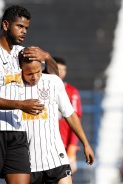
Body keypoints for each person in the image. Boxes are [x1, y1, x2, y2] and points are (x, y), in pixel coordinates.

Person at [0, 5, 58, 184]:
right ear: (5, 25)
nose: (24, 31)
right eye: (19, 26)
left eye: (26, 28)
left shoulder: (22, 53)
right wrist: (21, 105)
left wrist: (47, 57)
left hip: (17, 130)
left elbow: (55, 79)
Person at [19, 52, 94, 184]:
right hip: (28, 161)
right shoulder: (13, 86)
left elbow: (71, 114)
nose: (35, 77)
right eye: (30, 73)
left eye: (38, 72)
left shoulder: (53, 82)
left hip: (56, 156)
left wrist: (85, 144)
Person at [53, 57, 82, 173]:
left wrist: (72, 148)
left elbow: (76, 120)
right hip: (43, 143)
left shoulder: (71, 91)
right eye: (58, 69)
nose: (61, 72)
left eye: (63, 69)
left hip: (63, 145)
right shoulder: (40, 87)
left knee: (64, 177)